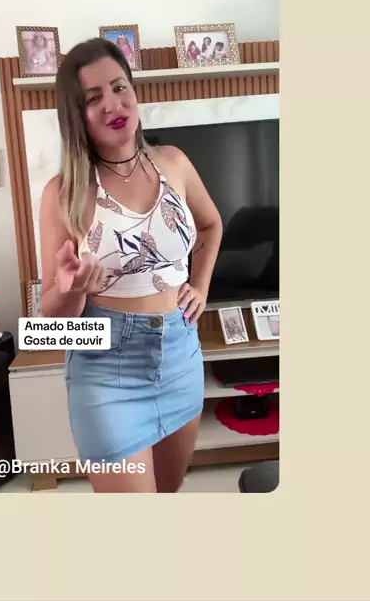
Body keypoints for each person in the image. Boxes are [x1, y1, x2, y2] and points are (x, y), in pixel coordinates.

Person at [39, 38, 223, 493]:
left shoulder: (174, 162)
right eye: (93, 98)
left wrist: (200, 286)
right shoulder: (63, 193)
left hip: (181, 354)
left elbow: (211, 224)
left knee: (167, 495)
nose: (113, 105)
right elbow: (52, 321)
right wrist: (74, 289)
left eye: (120, 87)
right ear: (76, 115)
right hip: (107, 372)